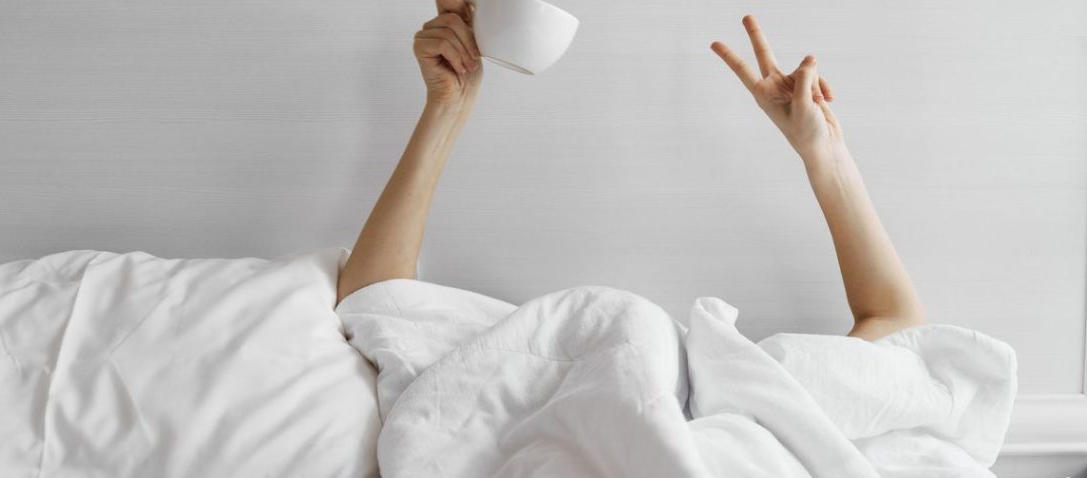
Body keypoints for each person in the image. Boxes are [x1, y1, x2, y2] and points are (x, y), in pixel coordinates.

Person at [335, 0, 924, 342]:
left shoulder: (738, 414)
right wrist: (448, 105)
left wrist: (823, 151)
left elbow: (375, 304)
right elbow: (896, 323)